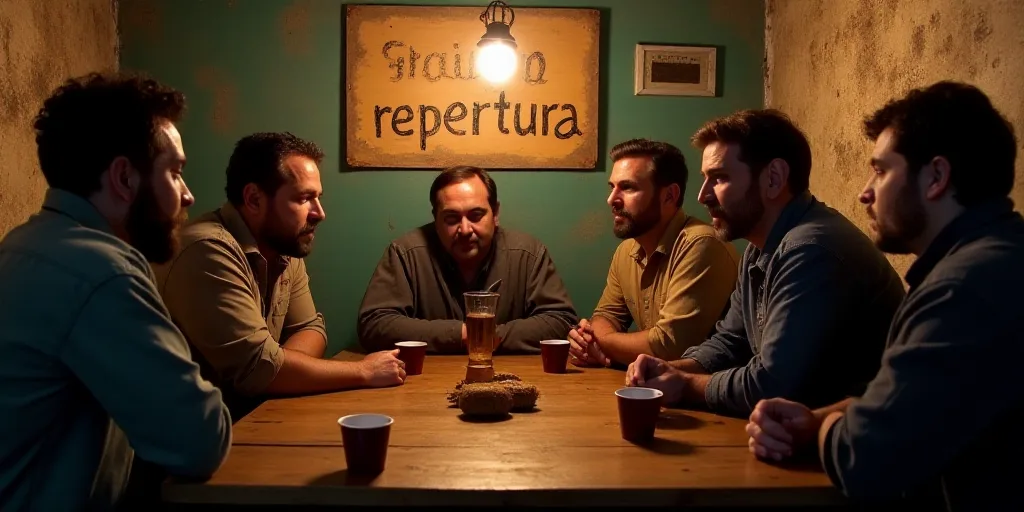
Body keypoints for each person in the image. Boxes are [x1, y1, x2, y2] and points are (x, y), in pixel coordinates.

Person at [746, 82, 1023, 510]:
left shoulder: (963, 289)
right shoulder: (993, 259)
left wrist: (824, 430)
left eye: (880, 170)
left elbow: (863, 459)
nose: (865, 192)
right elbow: (908, 401)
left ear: (936, 177)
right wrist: (815, 419)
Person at [0, 72, 231, 510]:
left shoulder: (25, 244)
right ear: (125, 178)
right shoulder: (102, 272)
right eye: (176, 172)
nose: (187, 195)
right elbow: (200, 440)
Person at [625, 109, 905, 417]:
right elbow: (731, 342)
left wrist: (687, 384)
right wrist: (672, 369)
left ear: (774, 178)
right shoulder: (760, 248)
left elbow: (773, 385)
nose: (703, 196)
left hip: (846, 447)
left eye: (719, 178)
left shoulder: (810, 249)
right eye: (706, 179)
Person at [153, 132, 405, 420]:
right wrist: (363, 371)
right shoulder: (207, 250)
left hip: (253, 419)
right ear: (254, 199)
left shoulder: (284, 245)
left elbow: (311, 329)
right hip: (189, 439)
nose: (319, 213)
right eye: (304, 198)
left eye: (318, 197)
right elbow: (257, 370)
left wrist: (277, 368)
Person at [358, 165, 578, 354]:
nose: (464, 230)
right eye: (452, 218)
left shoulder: (529, 253)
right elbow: (374, 324)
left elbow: (561, 321)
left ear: (496, 213)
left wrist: (486, 336)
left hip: (511, 381)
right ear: (435, 219)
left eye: (476, 215)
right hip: (422, 386)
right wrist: (461, 335)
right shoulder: (405, 253)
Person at [568, 139, 739, 367]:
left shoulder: (702, 244)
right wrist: (595, 337)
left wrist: (601, 343)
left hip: (702, 397)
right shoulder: (626, 250)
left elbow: (669, 348)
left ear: (669, 195)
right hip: (652, 388)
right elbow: (604, 317)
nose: (612, 200)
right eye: (612, 187)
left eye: (628, 187)